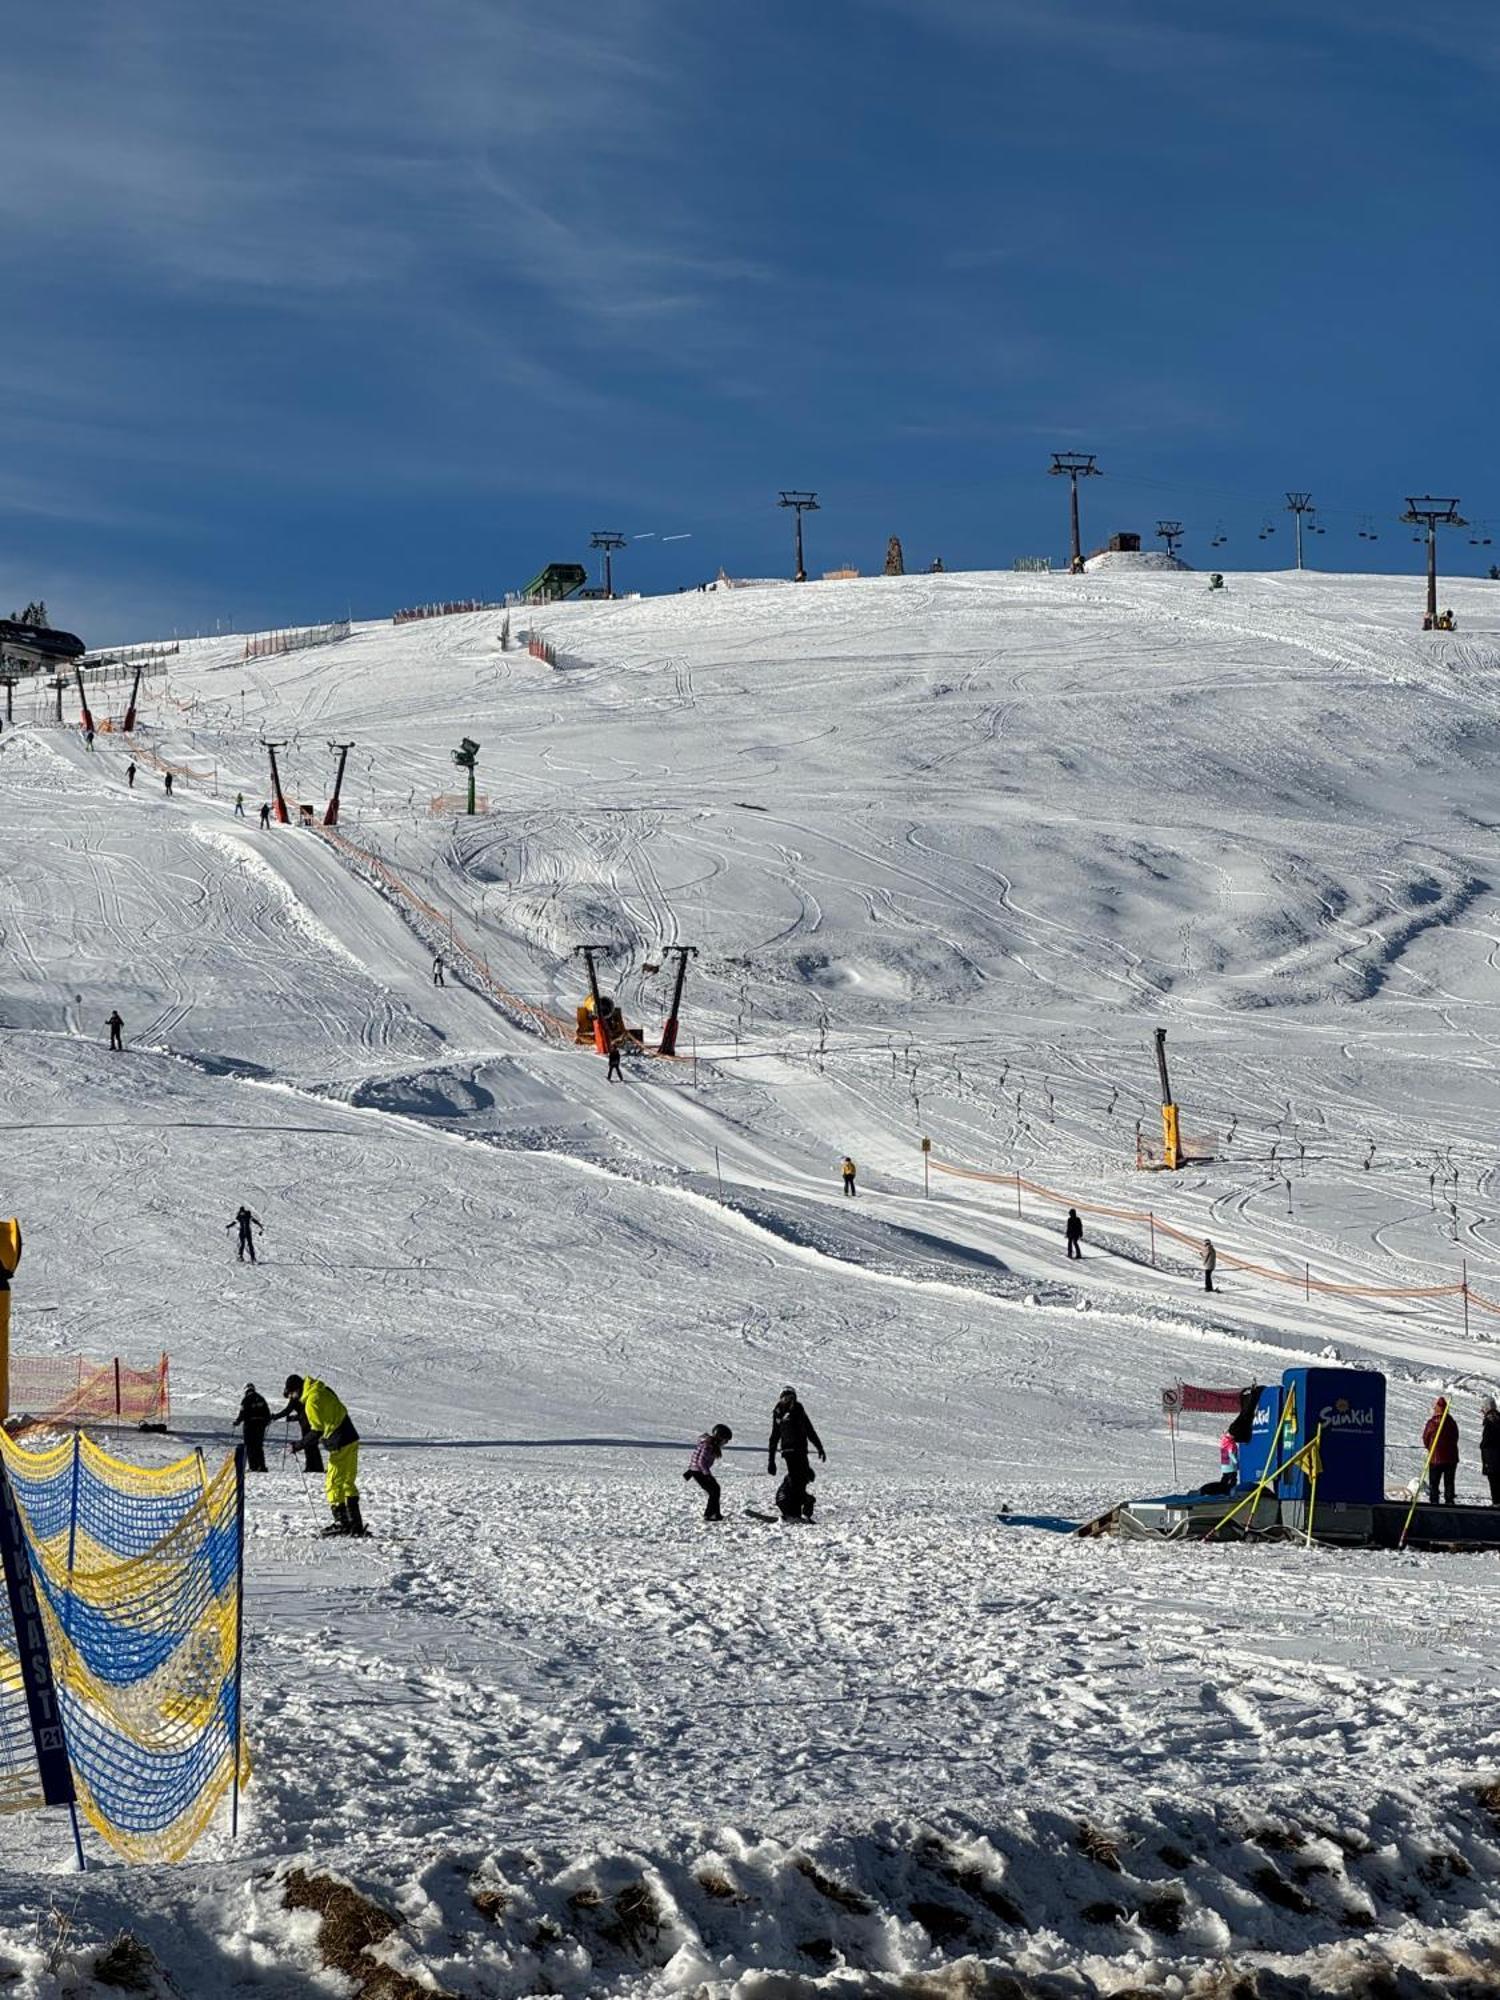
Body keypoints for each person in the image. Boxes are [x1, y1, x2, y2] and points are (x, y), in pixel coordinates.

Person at [282, 1372, 366, 1536]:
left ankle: (341, 1523)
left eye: (291, 1394)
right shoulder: (321, 1389)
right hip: (351, 1437)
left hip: (339, 1442)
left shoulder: (311, 1401)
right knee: (348, 1481)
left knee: (332, 1483)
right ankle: (355, 1524)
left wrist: (297, 1446)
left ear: (297, 1390)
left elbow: (316, 1431)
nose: (292, 1398)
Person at [768, 1385, 826, 1521]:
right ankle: (794, 1512)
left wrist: (819, 1447)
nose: (787, 1399)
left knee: (801, 1480)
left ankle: (800, 1511)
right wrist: (771, 1460)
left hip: (800, 1451)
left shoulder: (798, 1409)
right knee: (795, 1481)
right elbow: (774, 1436)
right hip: (789, 1451)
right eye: (784, 1397)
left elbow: (809, 1430)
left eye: (790, 1397)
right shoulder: (777, 1412)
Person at [684, 1423, 732, 1522]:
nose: (726, 1443)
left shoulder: (710, 1444)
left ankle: (715, 1514)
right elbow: (701, 1461)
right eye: (725, 1440)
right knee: (714, 1491)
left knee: (715, 1490)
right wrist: (707, 1474)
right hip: (698, 1471)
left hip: (697, 1470)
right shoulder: (708, 1445)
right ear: (720, 1437)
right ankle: (710, 1514)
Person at [270, 1384, 323, 1473]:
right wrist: (292, 1418)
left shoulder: (293, 1399)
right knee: (313, 1444)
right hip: (311, 1421)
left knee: (308, 1444)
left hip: (306, 1424)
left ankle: (311, 1467)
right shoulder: (302, 1397)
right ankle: (317, 1467)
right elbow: (302, 1414)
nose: (289, 1398)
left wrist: (275, 1416)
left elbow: (287, 1411)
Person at [1423, 1395, 1459, 1507]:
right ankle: (1449, 1500)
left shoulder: (1432, 1423)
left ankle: (1434, 1500)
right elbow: (1455, 1437)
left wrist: (1429, 1447)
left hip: (1435, 1458)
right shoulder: (1451, 1422)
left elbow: (1425, 1438)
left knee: (1434, 1482)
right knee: (1449, 1482)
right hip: (1451, 1458)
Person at [234, 1382, 271, 1472]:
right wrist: (265, 1423)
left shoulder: (246, 1399)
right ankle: (262, 1466)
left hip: (249, 1425)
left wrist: (237, 1421)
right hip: (260, 1425)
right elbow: (267, 1412)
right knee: (258, 1446)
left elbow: (242, 1413)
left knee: (249, 1446)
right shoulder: (261, 1398)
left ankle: (253, 1466)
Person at [1482, 1396, 1500, 1507]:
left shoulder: (1490, 1421)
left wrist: (1483, 1445)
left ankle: (1496, 1504)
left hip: (1493, 1460)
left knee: (1494, 1483)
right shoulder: (1498, 1418)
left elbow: (1488, 1442)